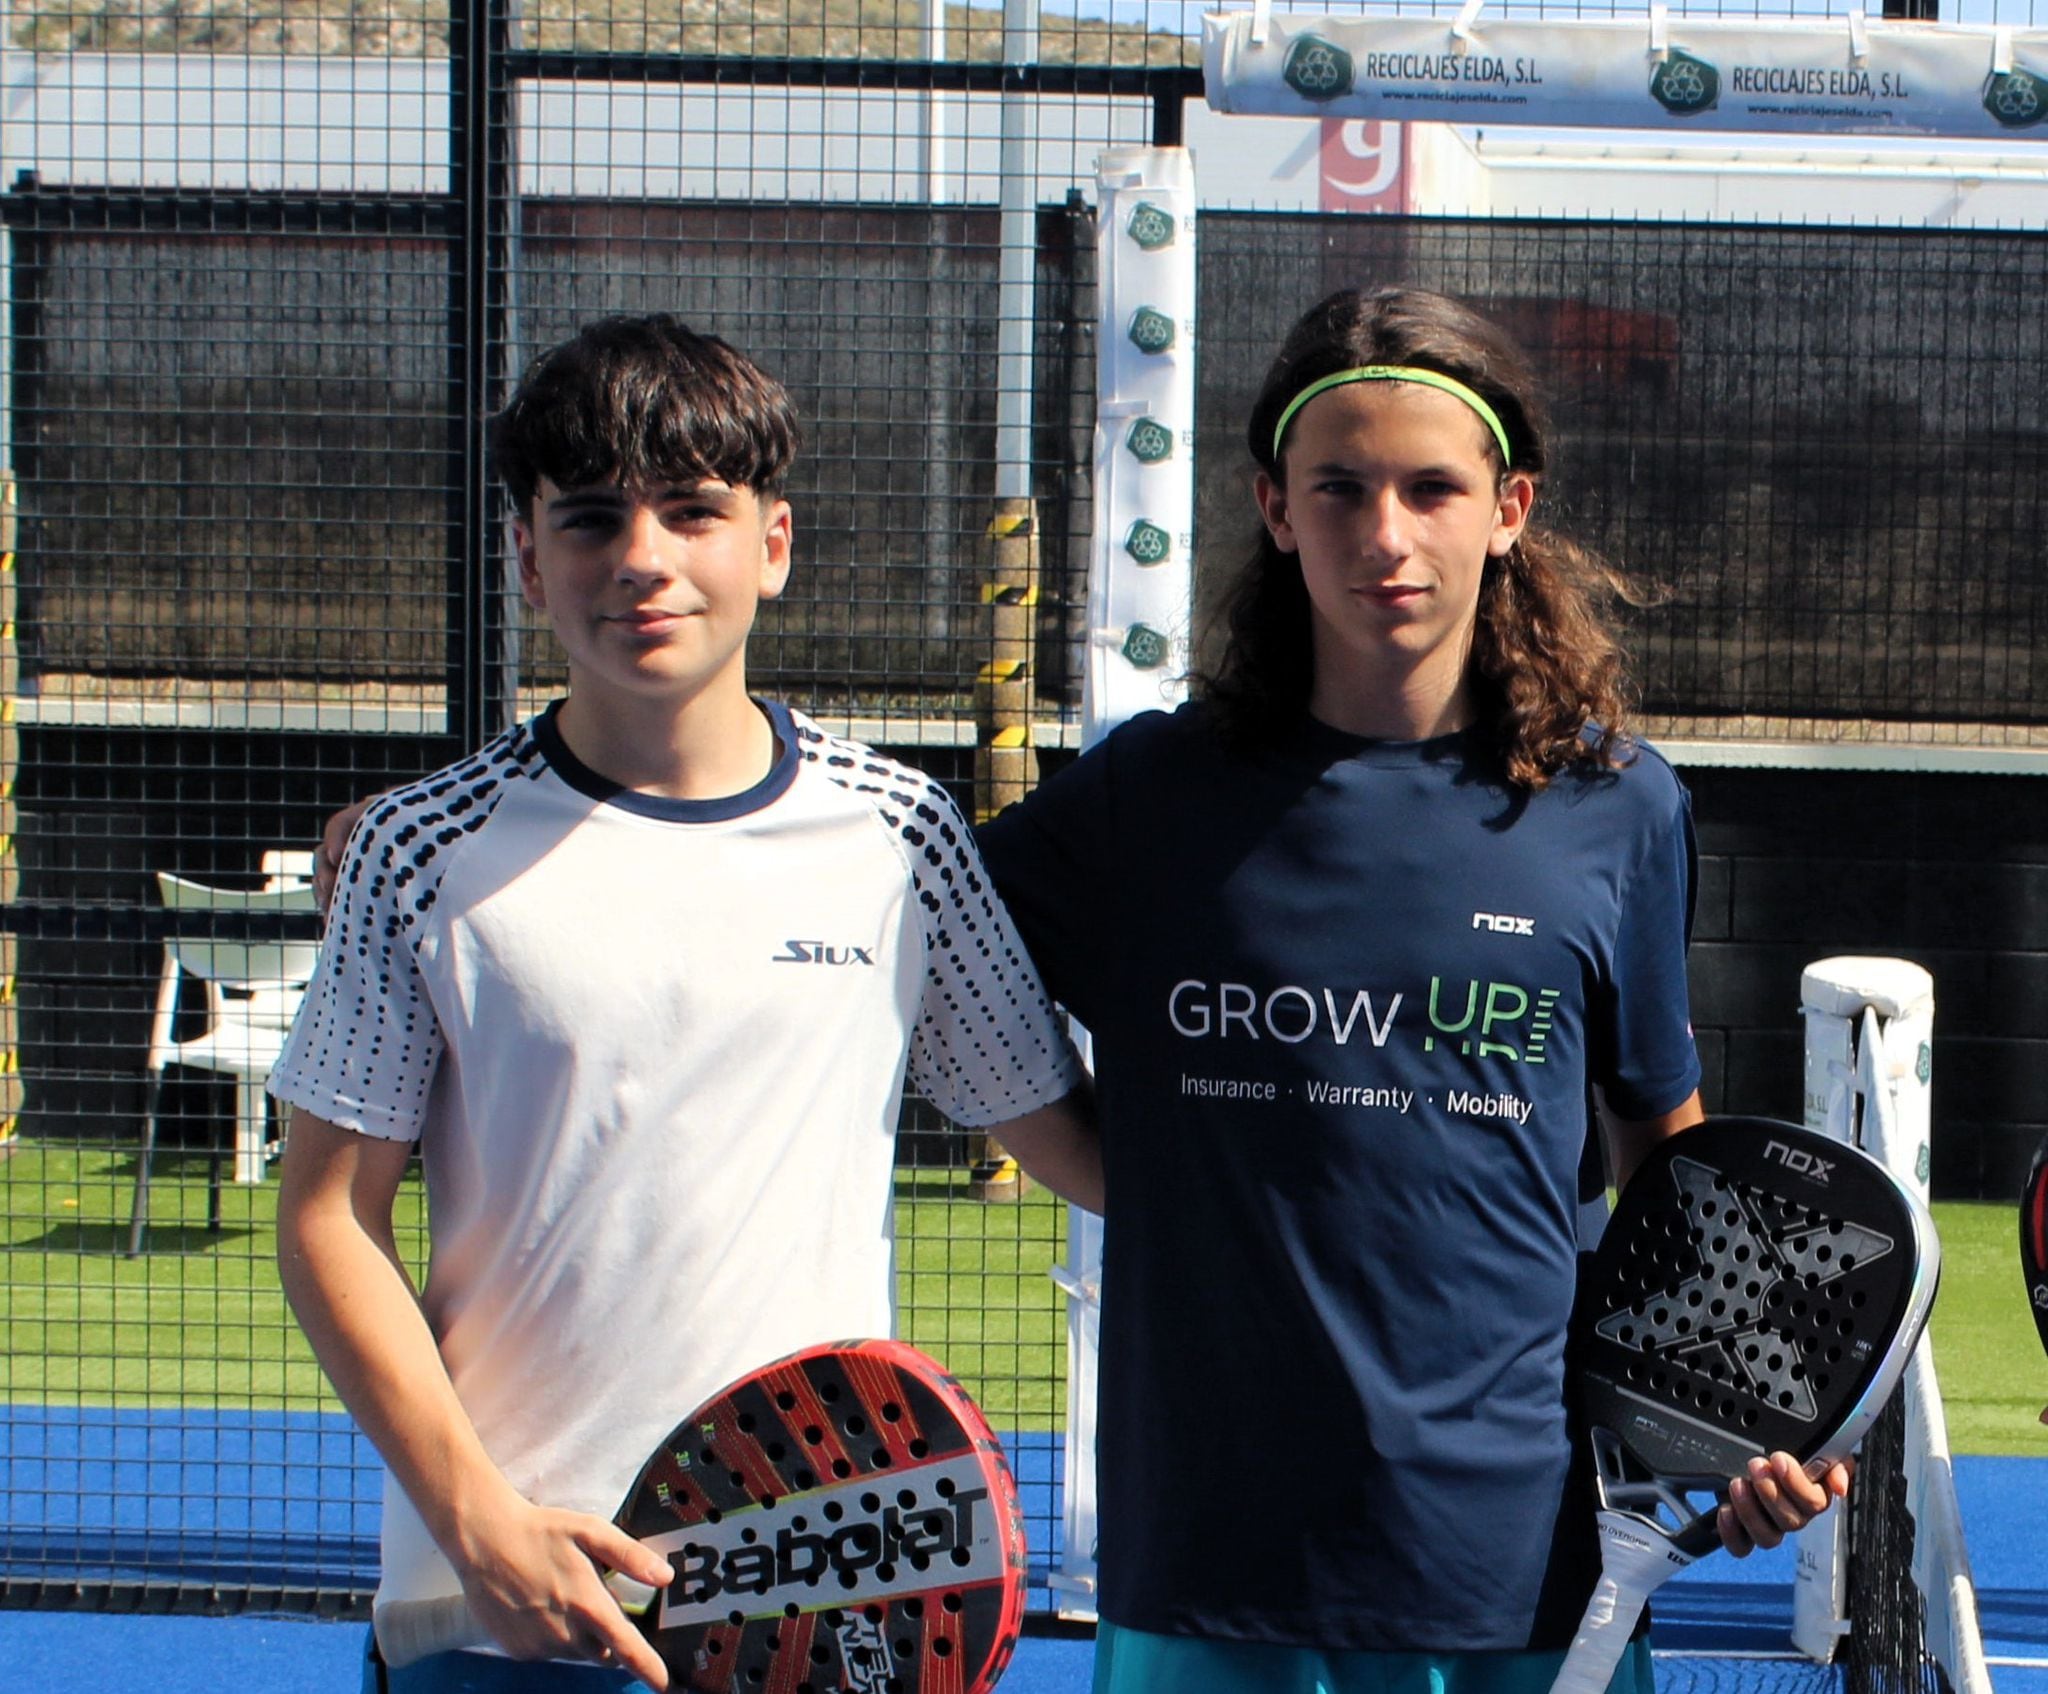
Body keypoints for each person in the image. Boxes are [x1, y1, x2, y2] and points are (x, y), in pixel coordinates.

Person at [970, 286, 1847, 1694]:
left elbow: (1660, 1149)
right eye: (1341, 488)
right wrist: (1119, 1166)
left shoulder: (1615, 807)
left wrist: (1736, 1424)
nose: (1386, 534)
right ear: (1272, 505)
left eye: (1431, 488)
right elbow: (943, 955)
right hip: (1209, 1553)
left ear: (1508, 506)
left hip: (1521, 1556)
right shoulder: (1149, 795)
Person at [272, 315, 1100, 1694]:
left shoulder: (902, 834)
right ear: (531, 557)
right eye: (592, 519)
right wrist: (480, 1524)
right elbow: (325, 1216)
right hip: (509, 1610)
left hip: (810, 1614)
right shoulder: (418, 848)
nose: (643, 558)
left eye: (693, 512)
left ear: (772, 543)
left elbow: (1079, 1146)